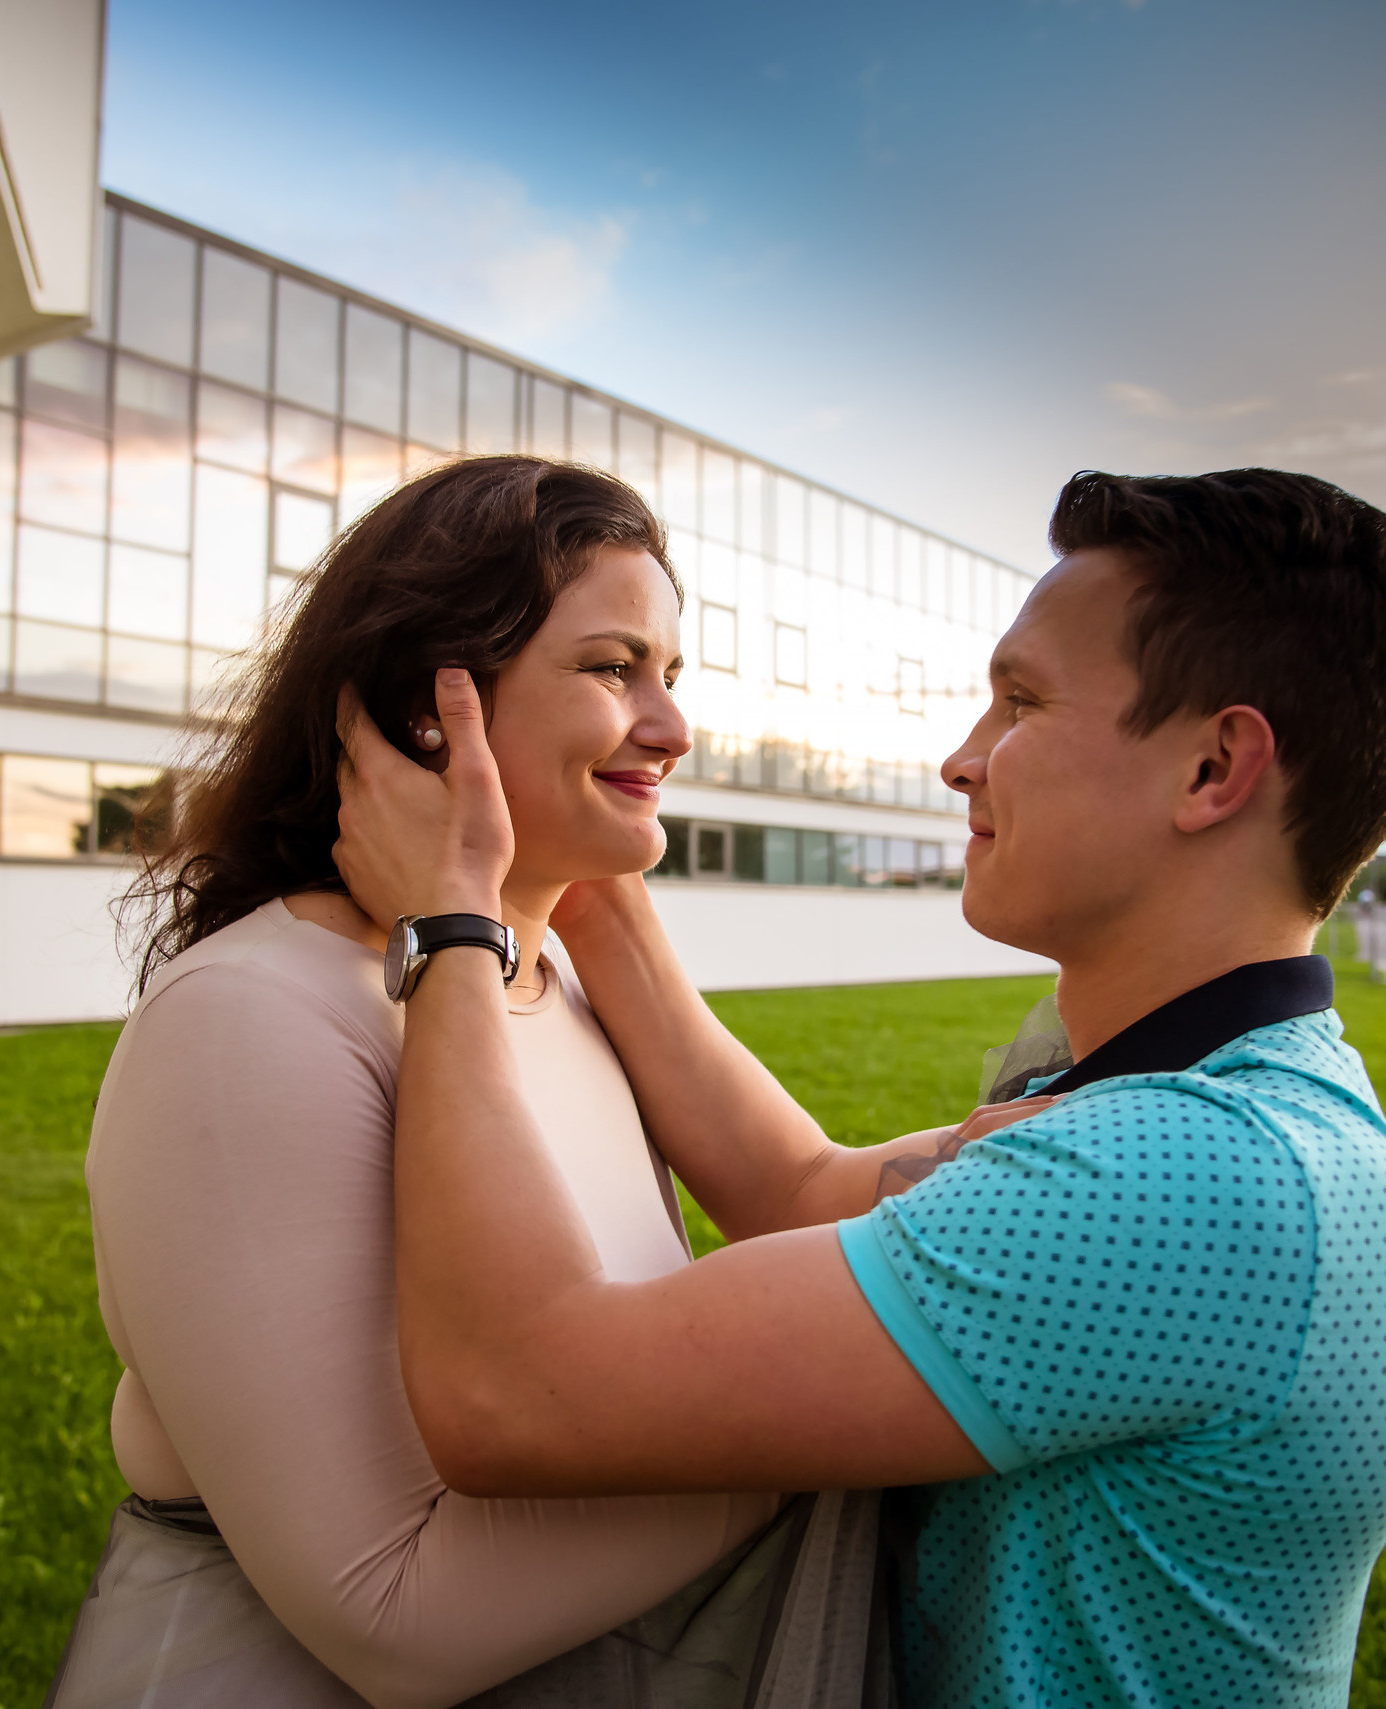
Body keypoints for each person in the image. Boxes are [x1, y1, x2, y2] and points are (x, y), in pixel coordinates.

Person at [333, 468, 1386, 1707]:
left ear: (1212, 770)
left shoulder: (1182, 1182)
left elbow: (514, 1389)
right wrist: (573, 841)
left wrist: (447, 930)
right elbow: (796, 1188)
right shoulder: (1246, 1103)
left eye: (1020, 704)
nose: (958, 760)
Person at [49, 457, 903, 1709]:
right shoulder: (253, 1018)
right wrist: (871, 1417)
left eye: (670, 675)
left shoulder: (551, 978)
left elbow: (799, 1183)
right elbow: (395, 1617)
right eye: (615, 669)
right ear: (426, 704)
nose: (670, 728)